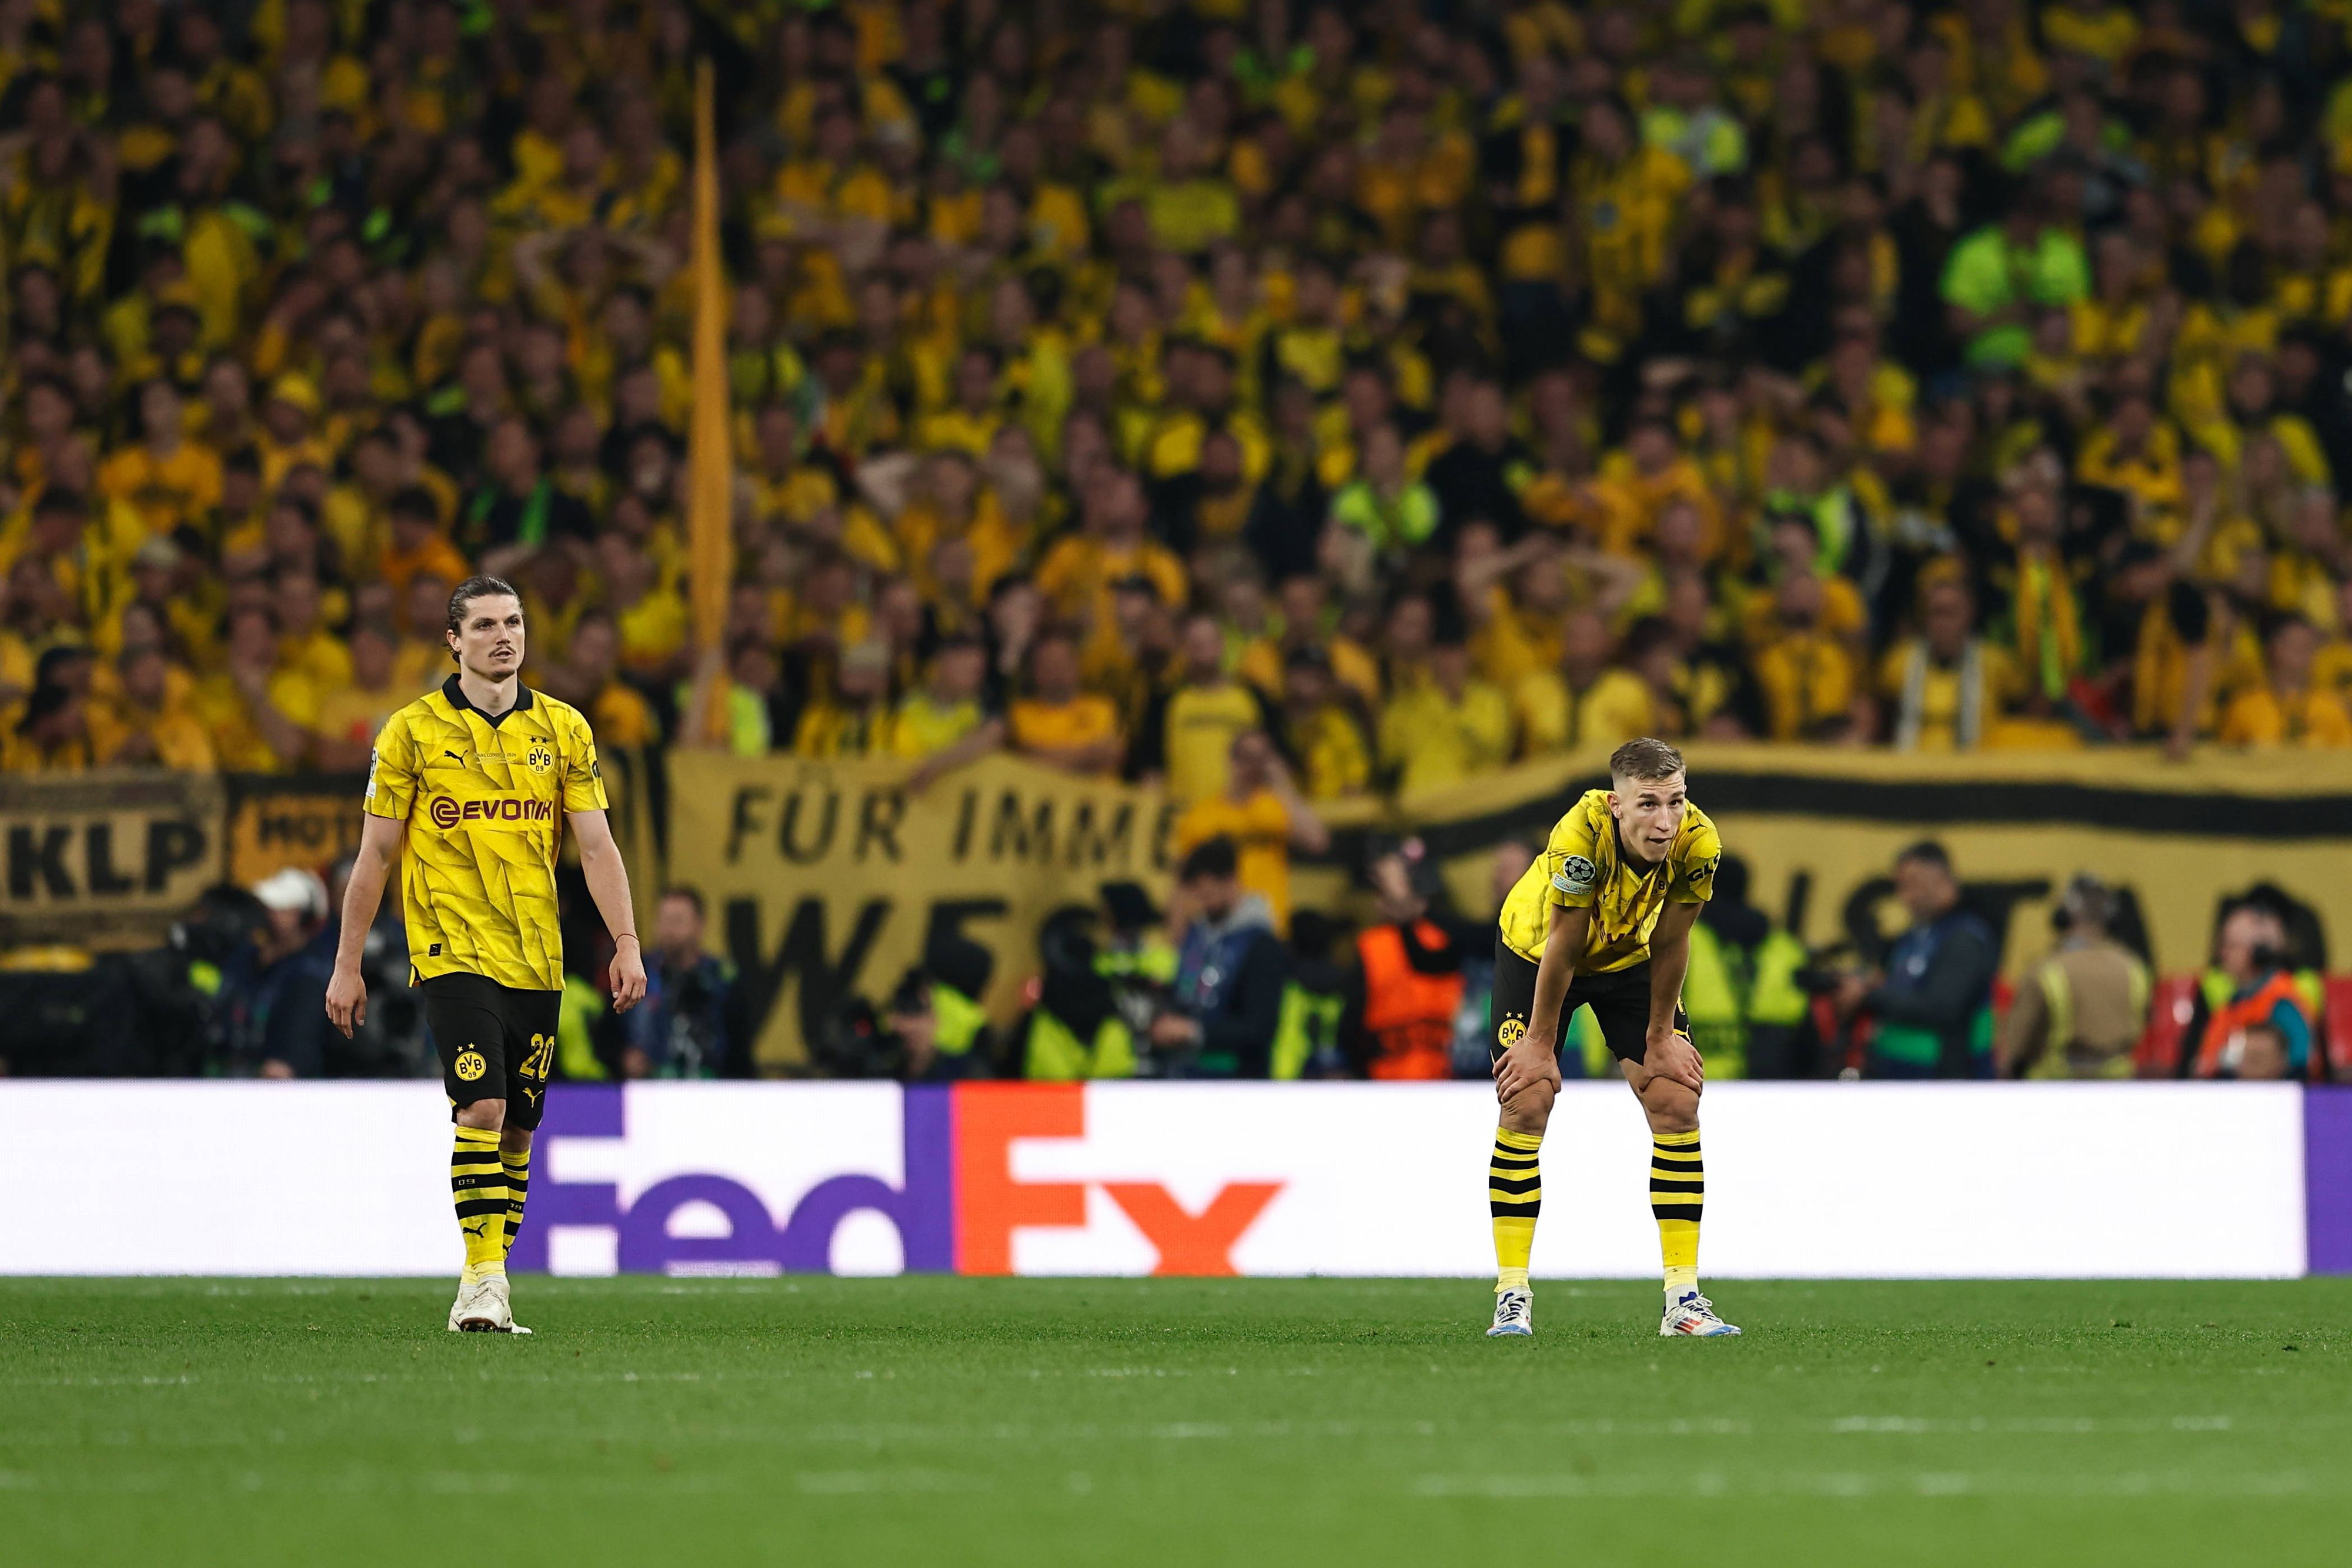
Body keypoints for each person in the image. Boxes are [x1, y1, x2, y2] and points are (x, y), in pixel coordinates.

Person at [325, 575, 646, 1335]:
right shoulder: (410, 731)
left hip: (537, 951)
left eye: (515, 622)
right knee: (484, 1105)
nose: (505, 635)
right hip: (450, 947)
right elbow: (374, 857)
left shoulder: (564, 728)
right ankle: (484, 1278)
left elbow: (596, 844)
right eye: (487, 625)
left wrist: (627, 941)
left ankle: (490, 1275)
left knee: (520, 1130)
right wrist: (347, 963)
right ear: (454, 640)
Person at [1486, 737, 1736, 1339]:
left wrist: (1659, 1036)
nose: (1666, 821)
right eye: (1648, 804)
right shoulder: (1579, 839)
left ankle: (1684, 1299)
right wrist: (1540, 1044)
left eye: (1675, 802)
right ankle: (1511, 1294)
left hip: (1627, 958)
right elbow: (1563, 946)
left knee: (1676, 1095)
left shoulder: (1699, 844)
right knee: (1527, 1099)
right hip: (1538, 953)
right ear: (1615, 803)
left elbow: (1673, 942)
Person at [1836, 841, 1998, 1079]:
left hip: (1942, 1081)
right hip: (1896, 1073)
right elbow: (1901, 990)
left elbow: (1942, 1007)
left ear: (1940, 879)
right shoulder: (1913, 937)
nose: (1904, 897)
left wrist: (1869, 995)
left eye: (1911, 885)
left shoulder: (1964, 938)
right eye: (1900, 888)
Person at [1152, 837, 1289, 1078]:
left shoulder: (1262, 946)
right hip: (1185, 1076)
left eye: (1208, 893)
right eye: (1198, 894)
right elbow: (1187, 992)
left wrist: (1193, 1031)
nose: (1203, 903)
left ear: (1231, 881)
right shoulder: (1196, 937)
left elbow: (1259, 1027)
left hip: (1236, 1083)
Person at [1999, 875, 2151, 1079]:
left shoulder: (2047, 970)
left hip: (2056, 1085)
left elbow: (2015, 1047)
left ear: (2063, 916)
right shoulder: (2134, 968)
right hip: (2118, 1086)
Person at [1346, 838, 1466, 1080]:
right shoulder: (1370, 946)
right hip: (1387, 1083)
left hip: (1450, 1082)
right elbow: (1350, 1030)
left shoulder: (1449, 939)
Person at [2178, 901, 2312, 1080]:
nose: (2223, 954)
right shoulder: (2232, 1002)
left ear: (2259, 954)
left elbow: (2299, 1067)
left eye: (2232, 946)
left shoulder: (2281, 1002)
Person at [626, 887, 734, 1079]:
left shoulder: (723, 980)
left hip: (713, 1090)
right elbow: (610, 1035)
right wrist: (623, 1057)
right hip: (649, 1090)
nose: (669, 930)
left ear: (700, 925)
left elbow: (739, 1049)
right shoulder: (635, 973)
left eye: (677, 921)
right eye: (664, 920)